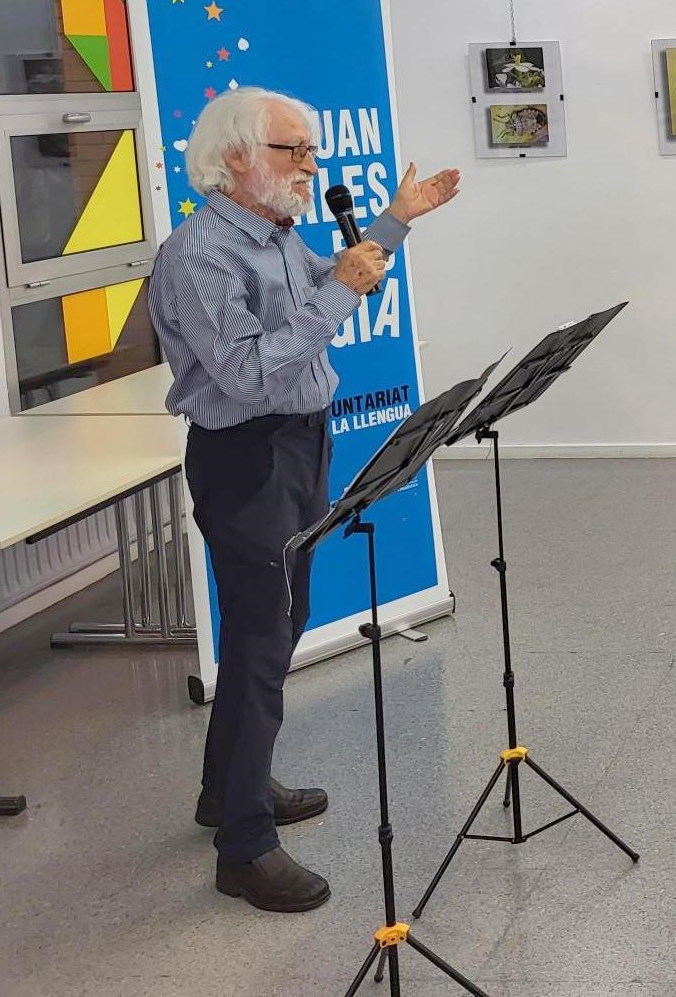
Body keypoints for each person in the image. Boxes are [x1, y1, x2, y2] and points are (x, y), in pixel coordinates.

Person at [149, 87, 461, 912]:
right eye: (295, 150)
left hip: (298, 444)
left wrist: (392, 223)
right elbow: (248, 371)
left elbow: (325, 280)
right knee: (258, 642)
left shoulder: (277, 234)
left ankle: (228, 786)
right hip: (246, 456)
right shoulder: (202, 255)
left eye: (311, 150)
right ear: (238, 158)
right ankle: (243, 847)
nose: (310, 165)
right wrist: (344, 292)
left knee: (278, 624)